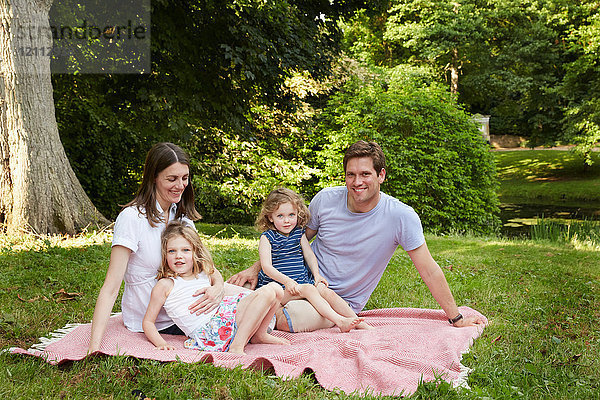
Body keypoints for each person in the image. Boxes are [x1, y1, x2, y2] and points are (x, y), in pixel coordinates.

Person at [228, 140, 485, 332]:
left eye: (365, 174)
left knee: (274, 316)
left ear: (381, 175)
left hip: (336, 302)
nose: (357, 181)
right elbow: (290, 242)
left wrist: (456, 317)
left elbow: (429, 270)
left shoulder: (401, 217)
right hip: (295, 282)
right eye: (351, 174)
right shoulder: (326, 200)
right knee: (236, 292)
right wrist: (254, 269)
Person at [88, 143, 226, 353]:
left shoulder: (182, 219)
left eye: (184, 178)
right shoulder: (132, 218)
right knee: (250, 308)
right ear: (153, 177)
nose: (180, 185)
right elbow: (111, 287)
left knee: (254, 298)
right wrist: (94, 348)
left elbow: (206, 267)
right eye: (171, 179)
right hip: (158, 321)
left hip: (190, 304)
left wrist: (218, 288)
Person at [143, 222, 288, 354]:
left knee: (276, 289)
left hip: (224, 317)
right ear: (165, 255)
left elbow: (214, 273)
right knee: (268, 291)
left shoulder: (203, 274)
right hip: (210, 332)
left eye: (185, 250)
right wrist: (161, 344)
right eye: (171, 251)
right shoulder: (166, 284)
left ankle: (260, 335)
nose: (178, 256)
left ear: (195, 253)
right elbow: (148, 322)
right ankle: (236, 346)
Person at [255, 188, 372, 332]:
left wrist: (317, 275)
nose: (287, 220)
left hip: (300, 282)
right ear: (270, 217)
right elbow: (267, 267)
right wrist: (287, 281)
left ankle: (356, 320)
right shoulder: (267, 238)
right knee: (309, 289)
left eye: (291, 215)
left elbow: (309, 255)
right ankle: (340, 321)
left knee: (326, 292)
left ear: (298, 213)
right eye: (280, 216)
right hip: (280, 289)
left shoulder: (298, 233)